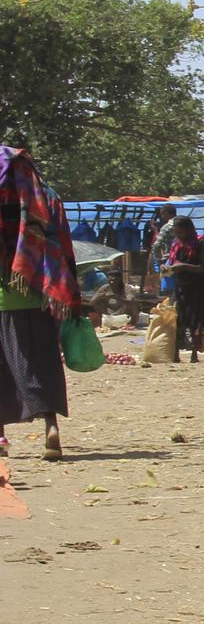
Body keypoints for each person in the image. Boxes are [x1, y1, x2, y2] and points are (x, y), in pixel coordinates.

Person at [0, 146, 79, 461]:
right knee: (42, 361)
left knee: (4, 367)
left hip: (4, 298)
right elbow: (61, 248)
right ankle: (51, 428)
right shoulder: (43, 202)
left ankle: (1, 435)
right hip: (40, 293)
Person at [161, 215, 204, 362]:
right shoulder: (176, 243)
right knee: (179, 319)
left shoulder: (200, 243)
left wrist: (184, 267)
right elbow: (173, 262)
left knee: (195, 319)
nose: (177, 234)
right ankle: (176, 352)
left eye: (179, 231)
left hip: (197, 288)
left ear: (187, 229)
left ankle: (194, 353)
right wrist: (167, 268)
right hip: (180, 287)